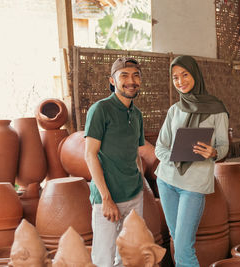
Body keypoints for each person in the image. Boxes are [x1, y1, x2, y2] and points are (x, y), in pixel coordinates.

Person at [154, 55, 229, 266]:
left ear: (195, 74)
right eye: (175, 77)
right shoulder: (174, 110)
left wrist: (213, 152)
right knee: (178, 241)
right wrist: (178, 154)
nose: (180, 81)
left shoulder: (217, 109)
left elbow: (224, 147)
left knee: (184, 246)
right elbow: (160, 148)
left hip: (193, 185)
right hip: (166, 180)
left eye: (185, 75)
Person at [84, 57, 145, 267]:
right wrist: (106, 198)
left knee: (130, 255)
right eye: (124, 76)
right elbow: (90, 155)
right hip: (107, 198)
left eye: (136, 75)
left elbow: (135, 152)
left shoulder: (136, 114)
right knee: (104, 257)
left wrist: (141, 182)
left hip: (134, 195)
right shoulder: (100, 109)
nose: (131, 81)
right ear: (112, 80)